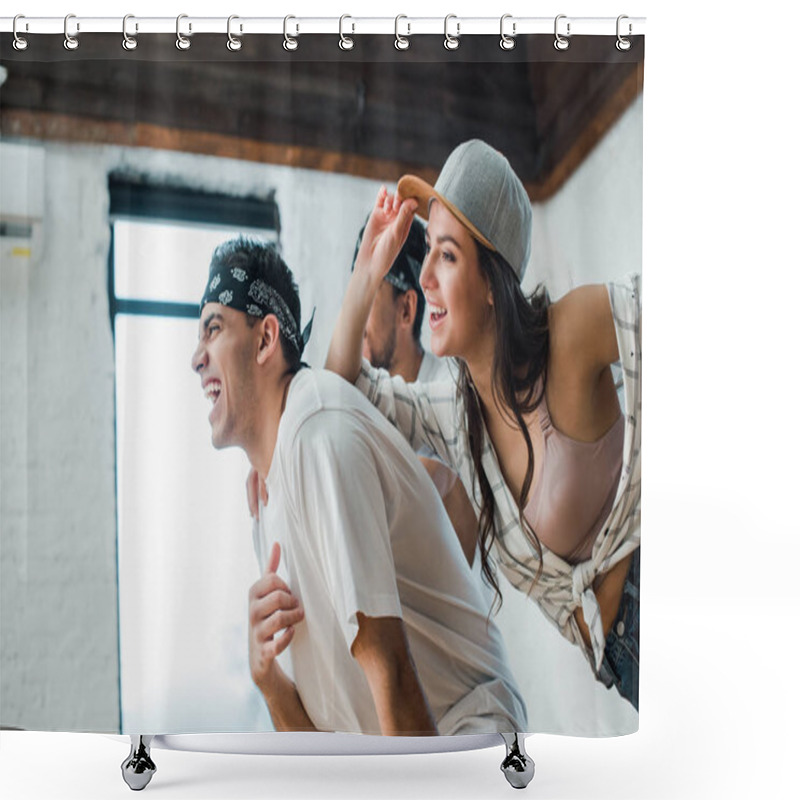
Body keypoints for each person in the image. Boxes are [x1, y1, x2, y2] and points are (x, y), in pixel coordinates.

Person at [326, 139, 641, 710]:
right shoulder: (453, 418)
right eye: (427, 255)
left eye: (446, 255)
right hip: (628, 672)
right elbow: (340, 391)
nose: (424, 280)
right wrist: (368, 270)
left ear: (492, 282)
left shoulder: (571, 336)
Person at [191, 236, 527, 736]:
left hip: (462, 739)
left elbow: (388, 668)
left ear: (265, 340)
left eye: (213, 330)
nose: (196, 359)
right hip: (388, 759)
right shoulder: (267, 497)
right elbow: (319, 747)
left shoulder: (319, 430)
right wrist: (266, 679)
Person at [353, 216, 479, 566]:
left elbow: (407, 499)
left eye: (367, 296)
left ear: (406, 309)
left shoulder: (451, 384)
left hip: (457, 621)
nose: (354, 317)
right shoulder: (366, 402)